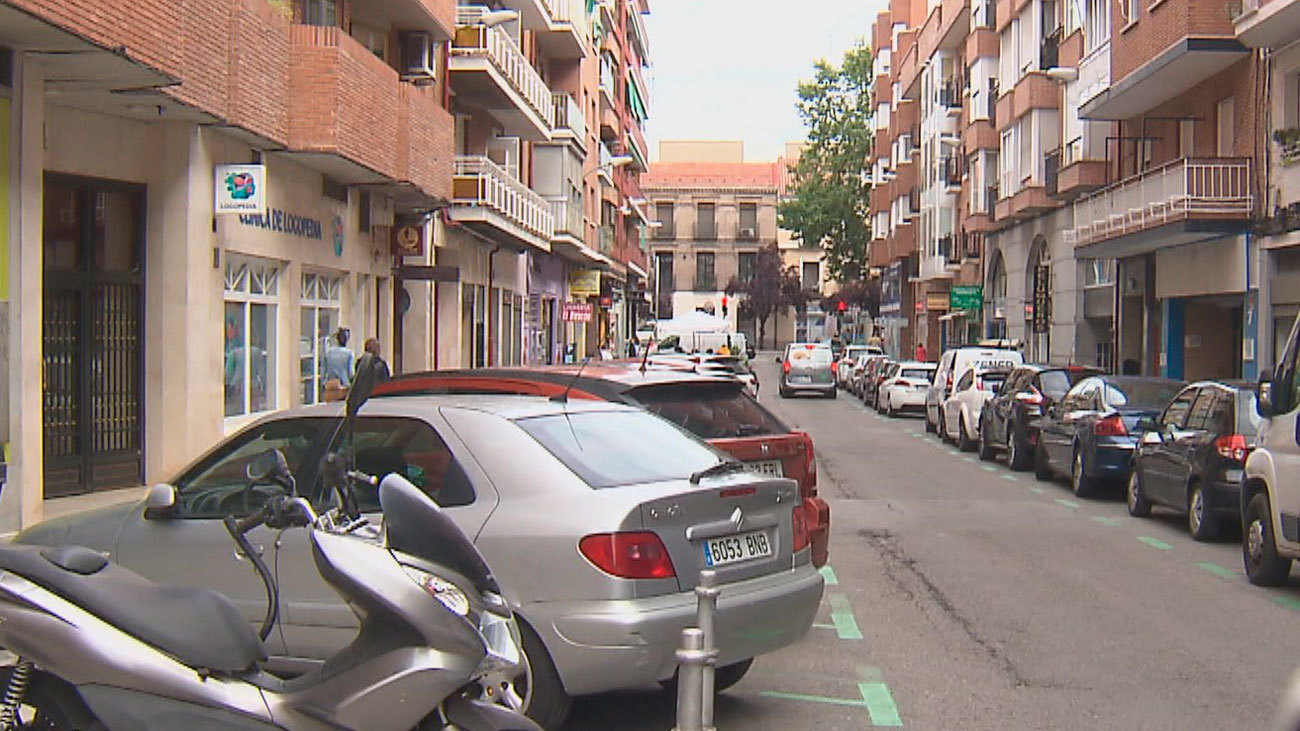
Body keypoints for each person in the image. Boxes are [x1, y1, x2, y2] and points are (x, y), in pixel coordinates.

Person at [322, 328, 355, 401]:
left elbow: (323, 371)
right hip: (344, 386)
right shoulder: (349, 354)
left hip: (331, 385)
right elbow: (351, 373)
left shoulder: (328, 352)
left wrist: (324, 383)